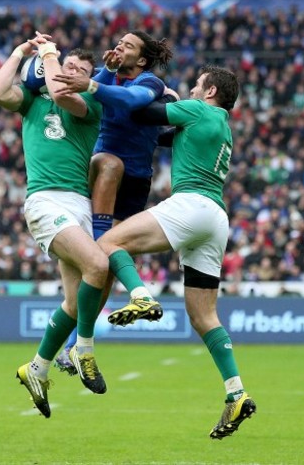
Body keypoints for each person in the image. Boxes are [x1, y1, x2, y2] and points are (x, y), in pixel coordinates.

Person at [97, 65, 256, 439]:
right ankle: (236, 391)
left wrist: (159, 92)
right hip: (216, 218)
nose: (191, 89)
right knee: (203, 316)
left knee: (108, 241)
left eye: (197, 85)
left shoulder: (199, 109)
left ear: (211, 90)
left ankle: (140, 296)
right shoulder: (220, 125)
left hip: (191, 204)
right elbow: (163, 135)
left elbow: (145, 113)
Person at [0, 34, 109, 418]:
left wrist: (51, 54)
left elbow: (61, 93)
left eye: (81, 70)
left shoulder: (89, 102)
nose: (70, 71)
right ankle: (84, 350)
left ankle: (37, 368)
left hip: (79, 205)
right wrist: (20, 52)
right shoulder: (32, 102)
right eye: (68, 65)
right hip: (45, 200)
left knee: (74, 304)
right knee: (99, 266)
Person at [51, 31, 174, 371]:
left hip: (136, 183)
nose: (120, 47)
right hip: (100, 166)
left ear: (143, 60)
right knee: (110, 164)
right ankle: (97, 239)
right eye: (119, 42)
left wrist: (94, 84)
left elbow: (129, 102)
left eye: (128, 45)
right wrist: (100, 75)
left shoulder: (151, 83)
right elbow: (94, 100)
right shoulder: (106, 76)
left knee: (103, 272)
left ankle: (76, 346)